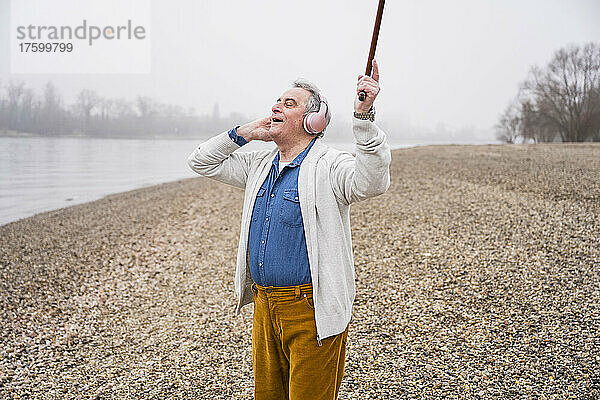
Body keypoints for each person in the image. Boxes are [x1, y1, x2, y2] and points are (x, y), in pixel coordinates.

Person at [187, 59, 391, 400]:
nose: (275, 107)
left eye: (288, 104)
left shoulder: (330, 165)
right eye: (277, 102)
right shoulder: (259, 163)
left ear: (313, 121)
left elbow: (371, 183)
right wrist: (244, 133)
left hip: (312, 310)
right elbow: (201, 161)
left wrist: (364, 118)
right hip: (264, 306)